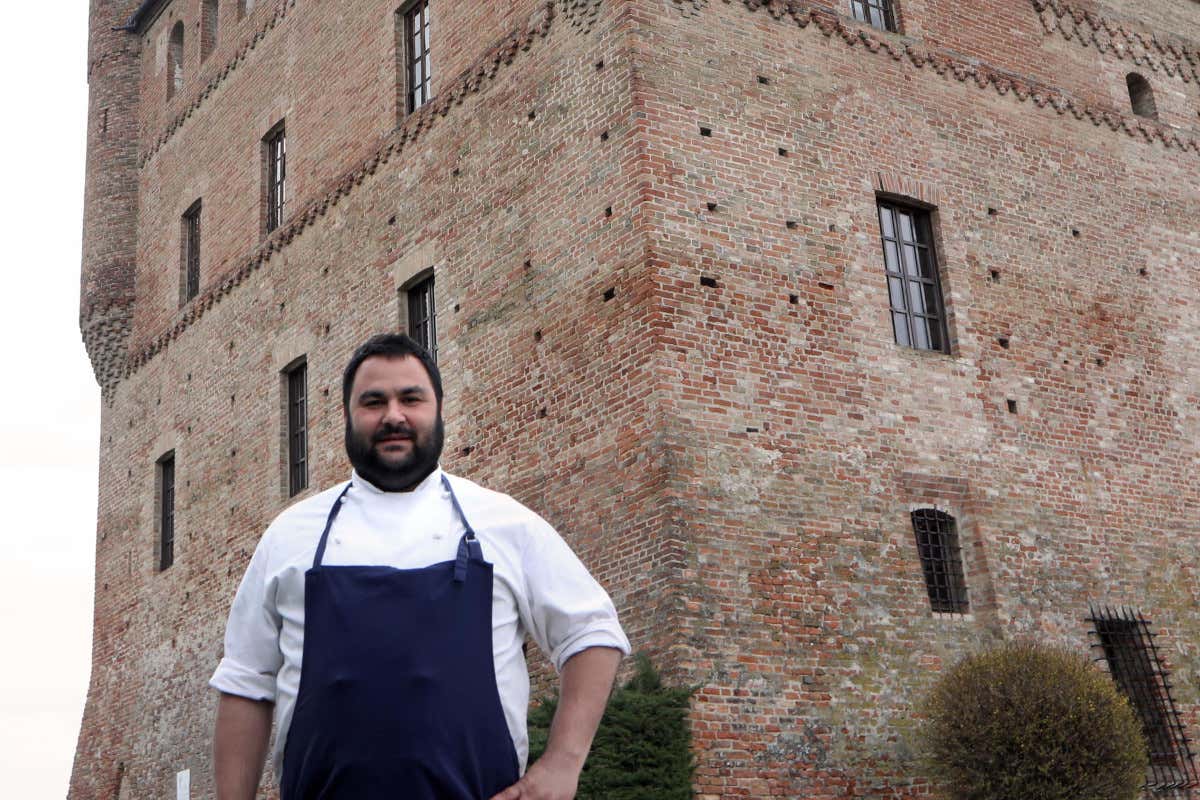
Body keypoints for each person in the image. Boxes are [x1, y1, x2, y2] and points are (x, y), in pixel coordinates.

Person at [210, 333, 629, 800]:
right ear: (346, 416)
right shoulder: (289, 536)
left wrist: (562, 765)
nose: (393, 415)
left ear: (439, 410)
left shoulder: (504, 523)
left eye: (411, 399)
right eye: (373, 402)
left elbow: (591, 632)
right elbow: (246, 683)